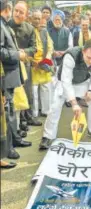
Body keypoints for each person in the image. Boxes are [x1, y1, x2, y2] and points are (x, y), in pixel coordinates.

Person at [39, 39, 91, 150]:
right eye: (88, 57)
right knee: (55, 106)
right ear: (83, 51)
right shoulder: (71, 56)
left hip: (82, 81)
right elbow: (66, 81)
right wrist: (74, 103)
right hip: (64, 82)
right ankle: (47, 136)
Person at [0, 0, 32, 159]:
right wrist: (16, 54)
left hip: (11, 75)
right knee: (8, 112)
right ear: (7, 9)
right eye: (14, 10)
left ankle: (14, 141)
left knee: (11, 111)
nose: (15, 14)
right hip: (5, 76)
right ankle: (8, 148)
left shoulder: (4, 24)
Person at [9, 1, 42, 127]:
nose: (17, 14)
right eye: (16, 10)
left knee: (28, 93)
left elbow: (34, 48)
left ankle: (28, 118)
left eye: (21, 12)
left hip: (25, 66)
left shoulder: (30, 29)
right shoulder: (6, 26)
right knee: (14, 95)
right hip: (10, 67)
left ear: (26, 15)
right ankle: (17, 124)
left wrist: (24, 51)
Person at [31, 10, 54, 118]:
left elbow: (50, 47)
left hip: (44, 64)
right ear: (31, 19)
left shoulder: (45, 32)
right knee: (33, 91)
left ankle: (46, 111)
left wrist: (46, 60)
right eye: (35, 18)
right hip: (33, 65)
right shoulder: (29, 30)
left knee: (46, 88)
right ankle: (34, 114)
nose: (37, 21)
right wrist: (32, 61)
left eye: (39, 18)